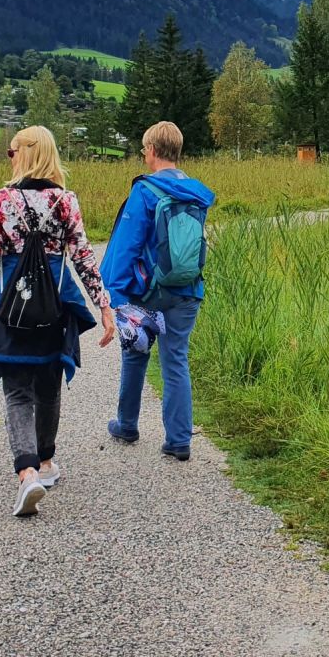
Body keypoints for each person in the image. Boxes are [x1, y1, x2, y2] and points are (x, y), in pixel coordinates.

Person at [0, 126, 116, 516]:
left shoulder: (0, 200)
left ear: (24, 154)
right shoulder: (65, 201)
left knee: (17, 390)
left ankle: (27, 474)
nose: (9, 155)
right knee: (48, 387)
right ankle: (48, 463)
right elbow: (84, 258)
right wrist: (104, 307)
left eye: (11, 151)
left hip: (11, 308)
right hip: (53, 306)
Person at [103, 121, 215, 461]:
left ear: (151, 151)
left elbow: (125, 248)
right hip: (186, 289)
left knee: (135, 353)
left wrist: (114, 295)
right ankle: (179, 440)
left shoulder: (145, 191)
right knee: (176, 359)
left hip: (146, 292)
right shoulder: (196, 192)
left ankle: (127, 424)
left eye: (143, 150)